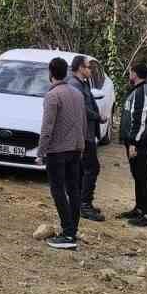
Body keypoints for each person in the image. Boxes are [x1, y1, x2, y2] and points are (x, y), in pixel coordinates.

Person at [37, 56, 87, 250]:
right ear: (65, 72)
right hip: (75, 148)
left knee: (58, 190)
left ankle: (67, 233)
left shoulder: (52, 96)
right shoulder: (77, 94)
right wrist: (82, 146)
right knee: (73, 189)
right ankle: (72, 229)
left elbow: (47, 127)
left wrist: (40, 152)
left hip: (57, 150)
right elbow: (82, 123)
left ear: (50, 73)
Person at [116, 62, 147, 226]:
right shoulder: (138, 90)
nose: (128, 75)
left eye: (130, 72)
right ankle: (139, 208)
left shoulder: (141, 92)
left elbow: (139, 120)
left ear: (135, 74)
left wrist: (133, 143)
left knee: (143, 176)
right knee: (138, 176)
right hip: (135, 141)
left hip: (139, 142)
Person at [69, 55, 105, 222]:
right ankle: (84, 204)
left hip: (88, 133)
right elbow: (82, 108)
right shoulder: (75, 85)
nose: (90, 70)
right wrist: (98, 117)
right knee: (92, 168)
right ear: (80, 68)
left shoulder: (83, 83)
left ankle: (81, 202)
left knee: (84, 169)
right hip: (83, 134)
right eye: (88, 67)